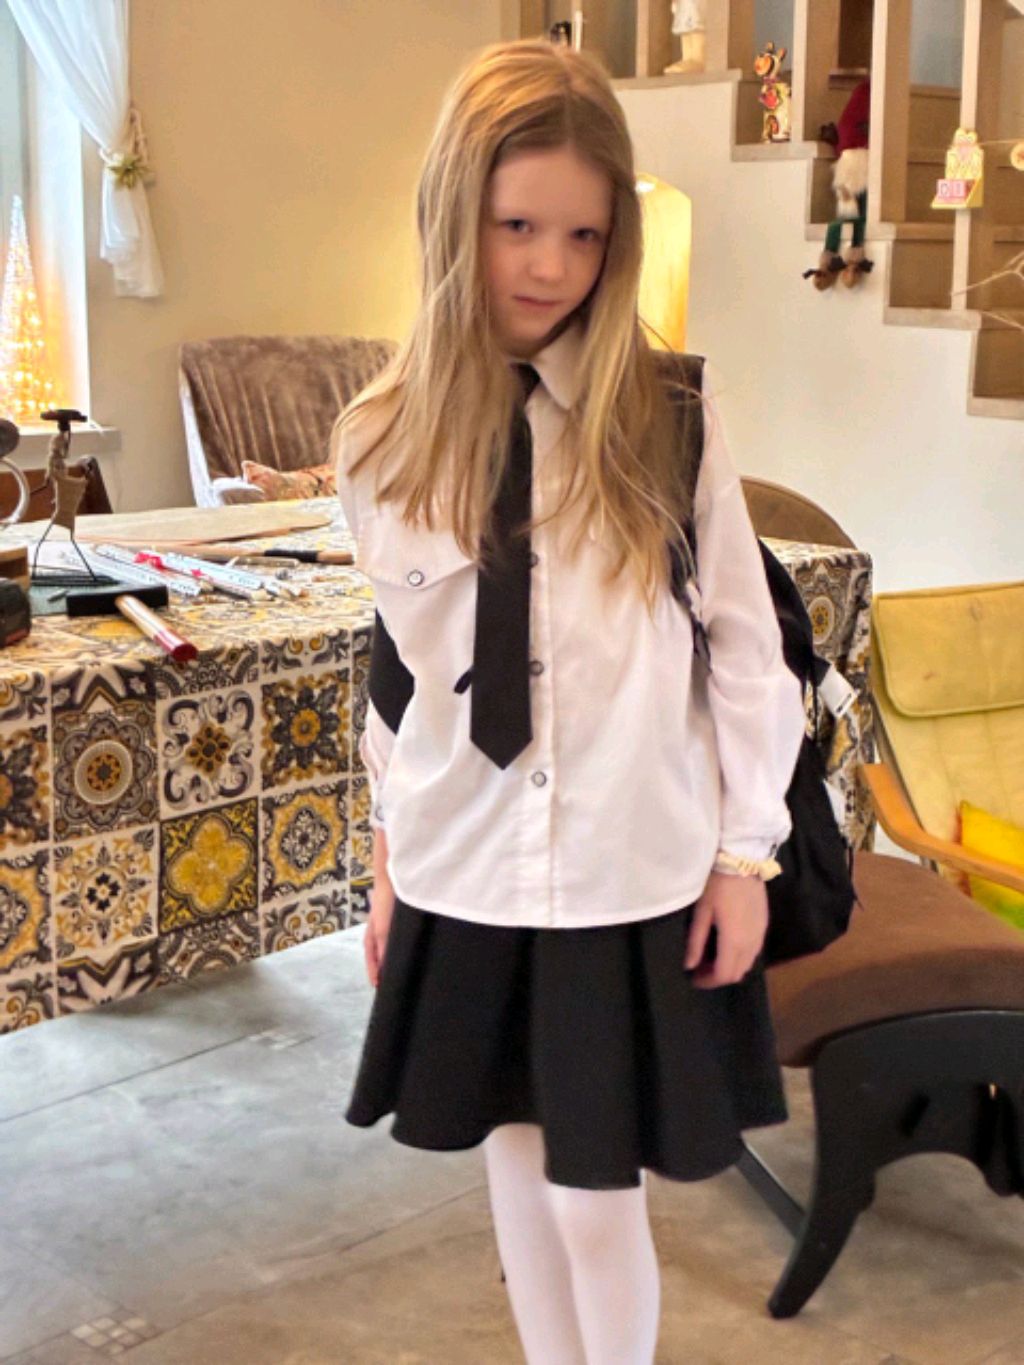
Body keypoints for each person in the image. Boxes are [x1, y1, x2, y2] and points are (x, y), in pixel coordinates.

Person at [333, 37, 807, 1365]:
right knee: (514, 1163)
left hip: (621, 872)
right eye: (517, 226)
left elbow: (745, 646)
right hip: (465, 864)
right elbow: (401, 671)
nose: (550, 264)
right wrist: (387, 860)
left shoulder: (667, 418)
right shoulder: (378, 437)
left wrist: (745, 856)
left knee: (595, 1198)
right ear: (455, 218)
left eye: (585, 234)